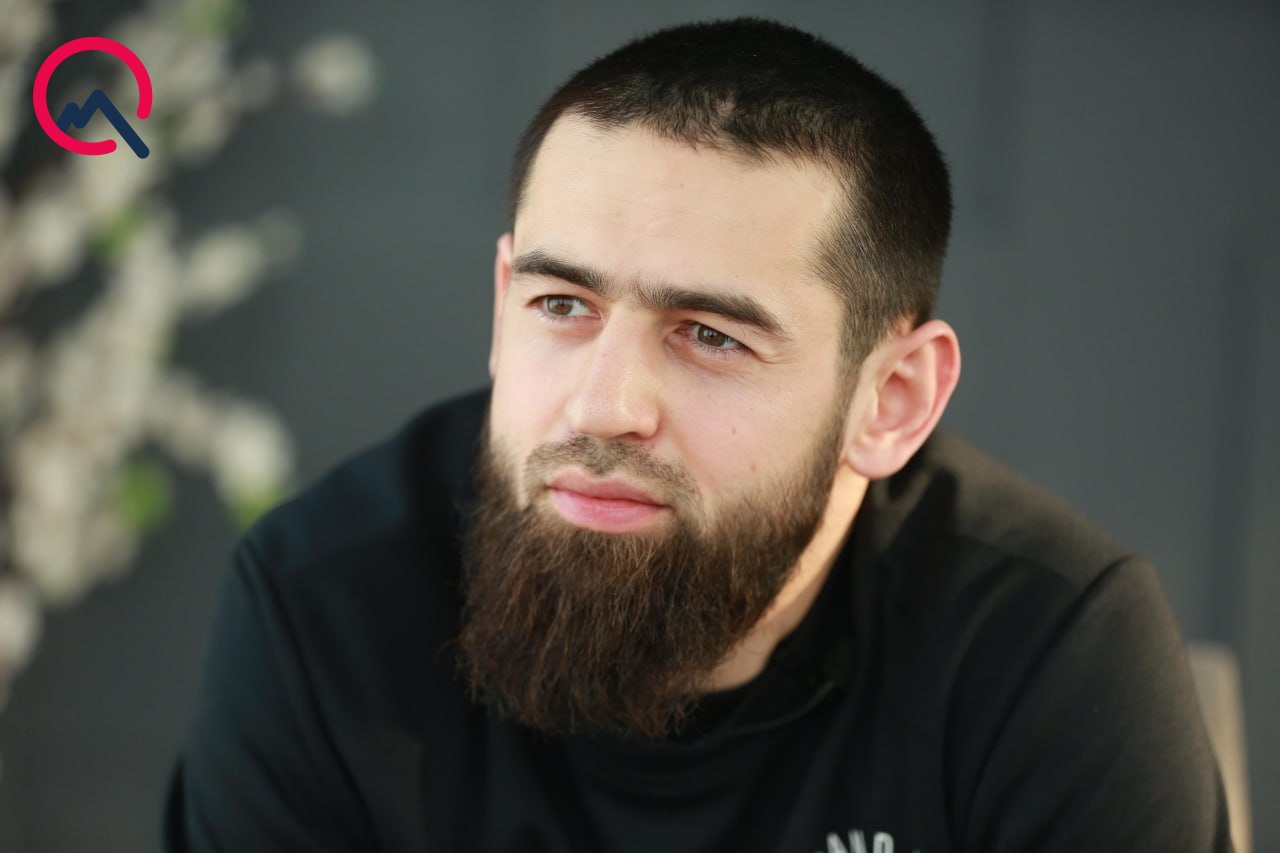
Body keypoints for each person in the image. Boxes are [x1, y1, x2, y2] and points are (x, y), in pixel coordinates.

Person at [162, 16, 1234, 853]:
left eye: (710, 335)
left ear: (892, 400)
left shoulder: (1044, 652)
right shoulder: (325, 603)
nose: (601, 406)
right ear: (500, 306)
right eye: (561, 305)